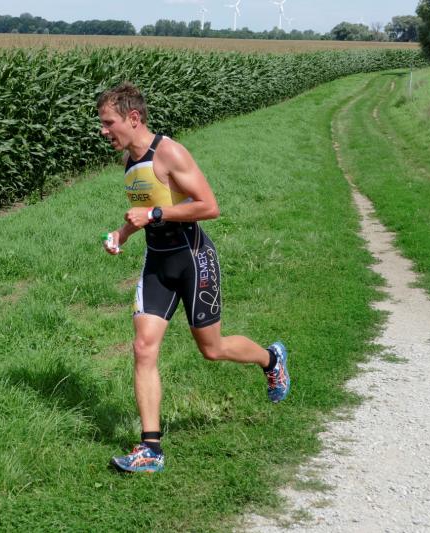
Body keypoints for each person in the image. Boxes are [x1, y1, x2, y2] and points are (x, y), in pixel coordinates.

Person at [97, 82, 290, 474]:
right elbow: (145, 209)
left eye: (108, 123)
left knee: (212, 349)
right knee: (143, 347)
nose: (103, 131)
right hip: (157, 263)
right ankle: (150, 449)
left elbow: (209, 206)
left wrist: (155, 215)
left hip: (193, 257)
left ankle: (271, 359)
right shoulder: (130, 162)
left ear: (133, 119)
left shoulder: (169, 152)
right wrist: (123, 233)